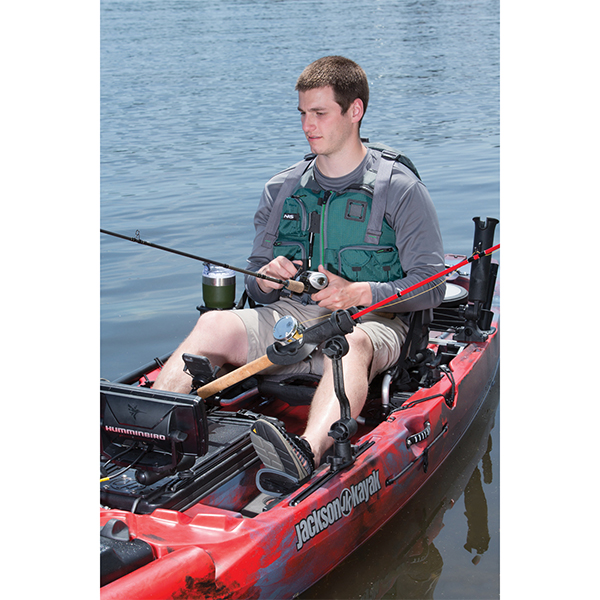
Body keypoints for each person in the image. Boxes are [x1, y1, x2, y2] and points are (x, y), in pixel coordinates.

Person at [153, 56, 446, 482]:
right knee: (213, 324)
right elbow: (256, 285)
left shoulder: (401, 190)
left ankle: (306, 452)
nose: (308, 125)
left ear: (355, 111)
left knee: (349, 344)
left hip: (371, 322)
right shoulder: (281, 189)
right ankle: (152, 430)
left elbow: (433, 286)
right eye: (303, 113)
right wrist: (266, 279)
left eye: (320, 113)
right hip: (290, 320)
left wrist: (362, 292)